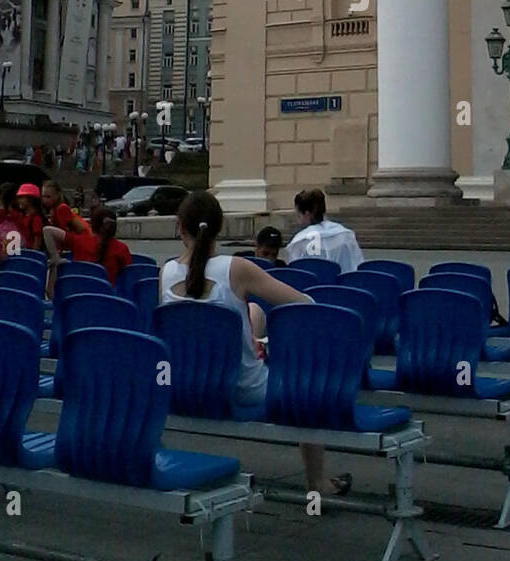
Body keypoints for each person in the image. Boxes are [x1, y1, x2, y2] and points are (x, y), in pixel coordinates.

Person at [160, 191, 351, 498]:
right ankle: (316, 484)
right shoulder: (236, 268)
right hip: (242, 389)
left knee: (252, 316)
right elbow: (305, 304)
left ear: (179, 226)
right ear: (220, 228)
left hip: (186, 388)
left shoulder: (166, 273)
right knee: (302, 384)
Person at [286, 188, 364, 274]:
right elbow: (357, 265)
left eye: (298, 216)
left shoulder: (299, 241)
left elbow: (295, 272)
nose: (297, 220)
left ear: (307, 214)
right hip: (342, 285)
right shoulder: (345, 235)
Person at [41, 179, 95, 295]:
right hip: (73, 239)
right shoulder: (53, 210)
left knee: (47, 231)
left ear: (57, 195)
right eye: (43, 196)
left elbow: (69, 229)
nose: (44, 200)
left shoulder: (61, 208)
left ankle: (56, 257)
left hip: (80, 239)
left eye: (48, 197)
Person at [92, 208, 133, 286]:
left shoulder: (82, 245)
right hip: (112, 295)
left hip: (85, 294)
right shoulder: (121, 248)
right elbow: (129, 275)